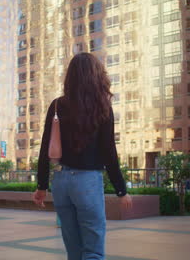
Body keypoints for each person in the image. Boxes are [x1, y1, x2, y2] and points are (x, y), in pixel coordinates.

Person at [33, 52, 133, 260]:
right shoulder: (103, 107)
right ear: (97, 76)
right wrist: (121, 190)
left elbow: (45, 148)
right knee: (93, 251)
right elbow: (109, 153)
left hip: (60, 182)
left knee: (74, 251)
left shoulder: (57, 105)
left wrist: (42, 186)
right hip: (87, 183)